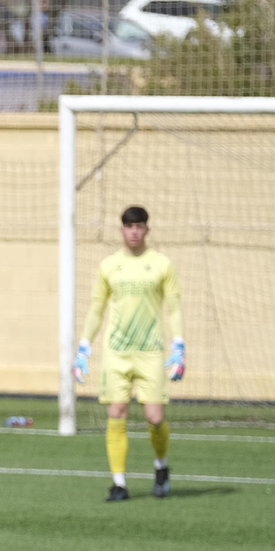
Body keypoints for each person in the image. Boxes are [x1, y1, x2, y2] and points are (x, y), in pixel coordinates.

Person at [74, 206, 186, 501]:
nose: (134, 232)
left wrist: (179, 344)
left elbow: (173, 307)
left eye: (139, 226)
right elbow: (97, 308)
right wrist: (84, 345)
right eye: (128, 226)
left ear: (147, 229)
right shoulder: (110, 265)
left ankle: (161, 466)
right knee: (116, 412)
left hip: (150, 351)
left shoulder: (161, 264)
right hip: (117, 352)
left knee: (154, 416)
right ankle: (119, 483)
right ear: (121, 230)